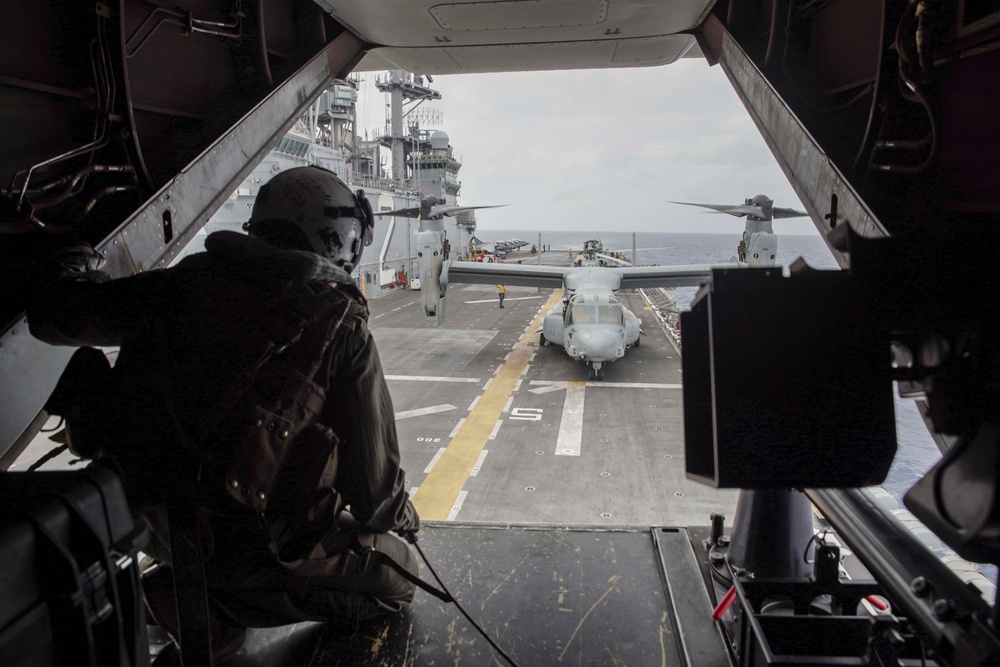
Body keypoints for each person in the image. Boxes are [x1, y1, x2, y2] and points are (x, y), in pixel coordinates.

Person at [28, 166, 420, 659]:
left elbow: (53, 315)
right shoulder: (341, 324)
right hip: (245, 543)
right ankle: (216, 608)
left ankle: (187, 594)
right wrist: (405, 519)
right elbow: (376, 497)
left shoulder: (178, 286)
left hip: (150, 520)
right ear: (337, 237)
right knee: (399, 576)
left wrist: (75, 263)